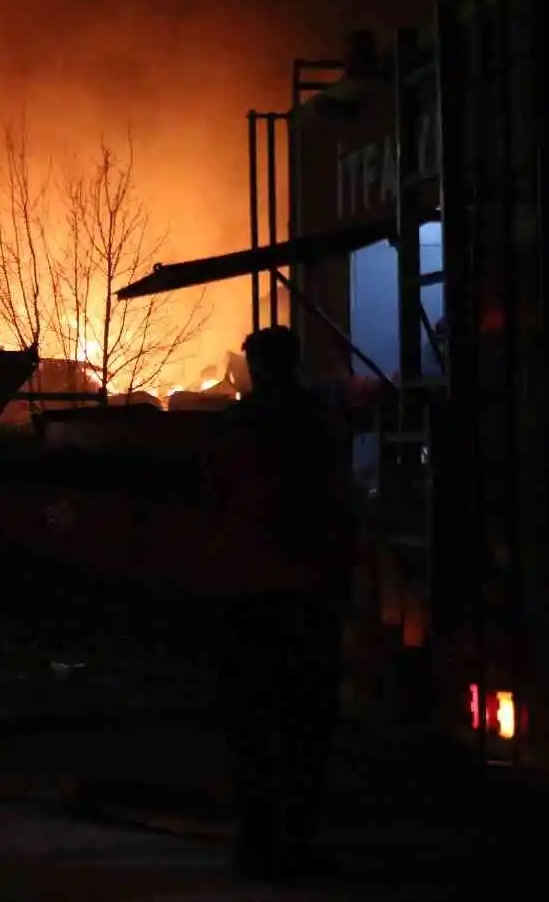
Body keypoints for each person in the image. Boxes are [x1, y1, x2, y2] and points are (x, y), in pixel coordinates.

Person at [215, 325, 358, 881]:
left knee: (252, 725)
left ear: (258, 367)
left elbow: (217, 495)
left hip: (249, 595)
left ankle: (256, 845)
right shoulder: (316, 423)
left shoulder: (236, 424)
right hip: (304, 594)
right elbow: (336, 500)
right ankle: (294, 844)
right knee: (302, 727)